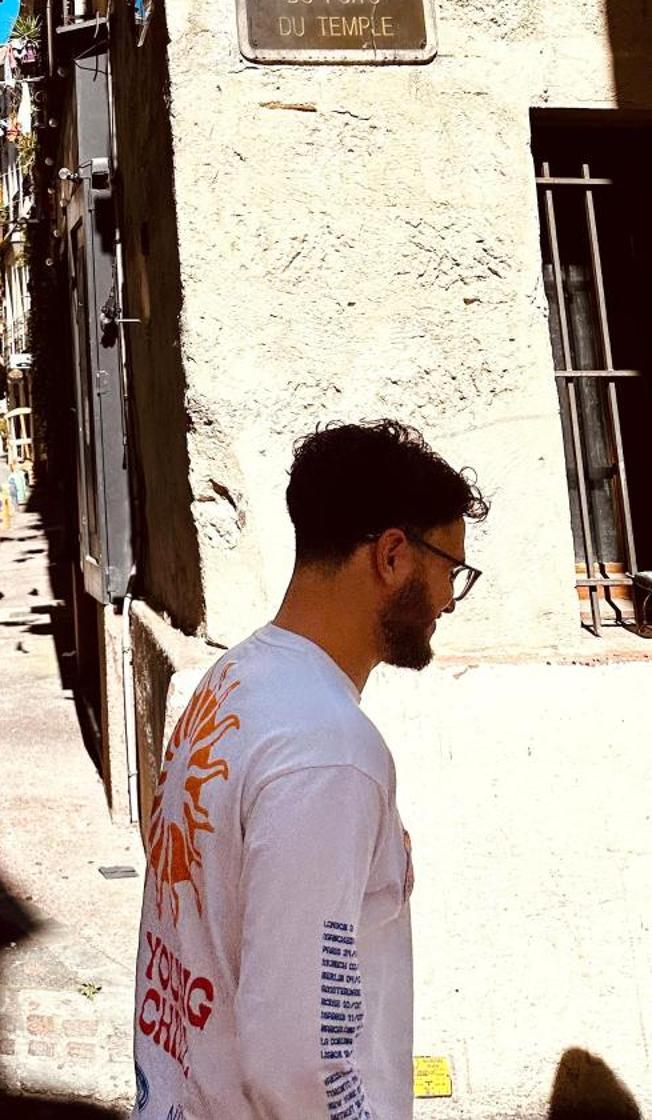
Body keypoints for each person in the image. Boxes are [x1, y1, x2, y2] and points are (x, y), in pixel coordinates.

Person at [132, 419, 488, 1119]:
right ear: (393, 556)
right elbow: (298, 1064)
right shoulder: (330, 752)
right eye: (452, 570)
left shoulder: (230, 682)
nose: (449, 599)